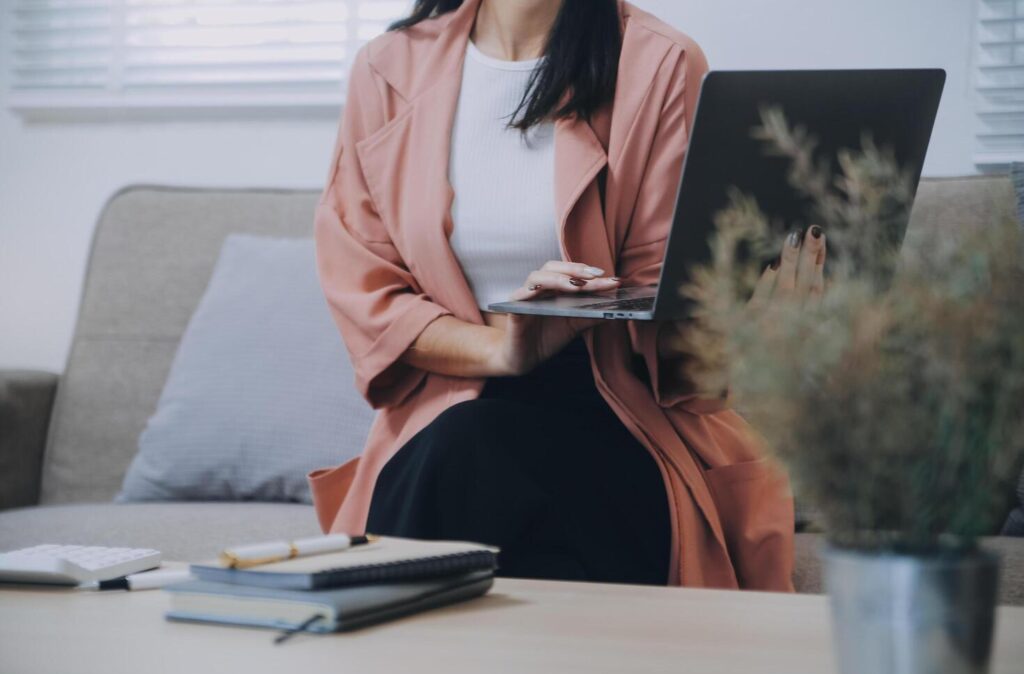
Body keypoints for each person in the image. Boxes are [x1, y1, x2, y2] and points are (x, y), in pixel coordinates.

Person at [310, 0, 827, 589]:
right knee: (469, 453)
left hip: (620, 428)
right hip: (449, 424)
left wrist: (747, 334)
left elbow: (671, 312)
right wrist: (505, 349)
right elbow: (367, 290)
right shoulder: (387, 69)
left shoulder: (658, 62)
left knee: (468, 457)